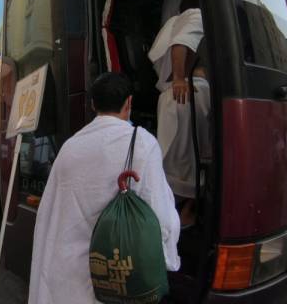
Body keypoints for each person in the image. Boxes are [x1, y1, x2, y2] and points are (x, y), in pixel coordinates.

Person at [28, 73, 180, 304]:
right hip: (122, 279)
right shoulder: (143, 142)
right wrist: (168, 258)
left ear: (92, 104)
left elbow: (50, 214)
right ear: (129, 102)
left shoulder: (70, 147)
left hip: (70, 279)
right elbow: (161, 214)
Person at [148, 0, 211, 226]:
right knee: (187, 164)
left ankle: (171, 218)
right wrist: (179, 78)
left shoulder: (170, 25)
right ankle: (179, 218)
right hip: (187, 95)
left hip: (173, 98)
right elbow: (182, 42)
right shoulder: (195, 15)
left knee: (172, 160)